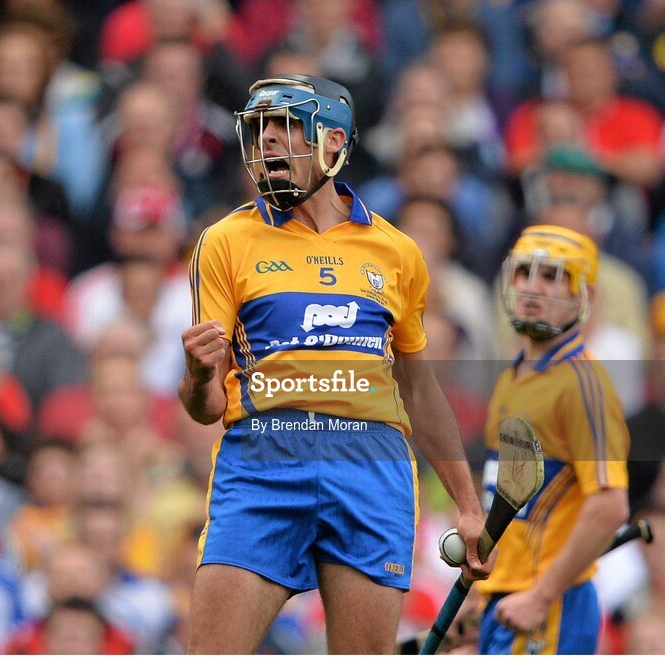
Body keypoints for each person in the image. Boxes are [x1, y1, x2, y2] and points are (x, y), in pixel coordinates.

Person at [179, 74, 489, 653]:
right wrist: (199, 375)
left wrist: (470, 509)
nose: (268, 140)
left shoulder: (397, 251)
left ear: (333, 142)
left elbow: (419, 392)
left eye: (287, 127)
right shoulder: (224, 241)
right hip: (264, 463)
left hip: (370, 467)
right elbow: (207, 407)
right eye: (261, 128)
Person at [477, 225, 630, 653]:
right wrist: (480, 593)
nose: (531, 286)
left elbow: (609, 505)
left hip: (548, 604)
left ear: (586, 297)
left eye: (552, 276)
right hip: (504, 596)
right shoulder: (513, 374)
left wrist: (542, 595)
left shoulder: (584, 384)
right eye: (524, 272)